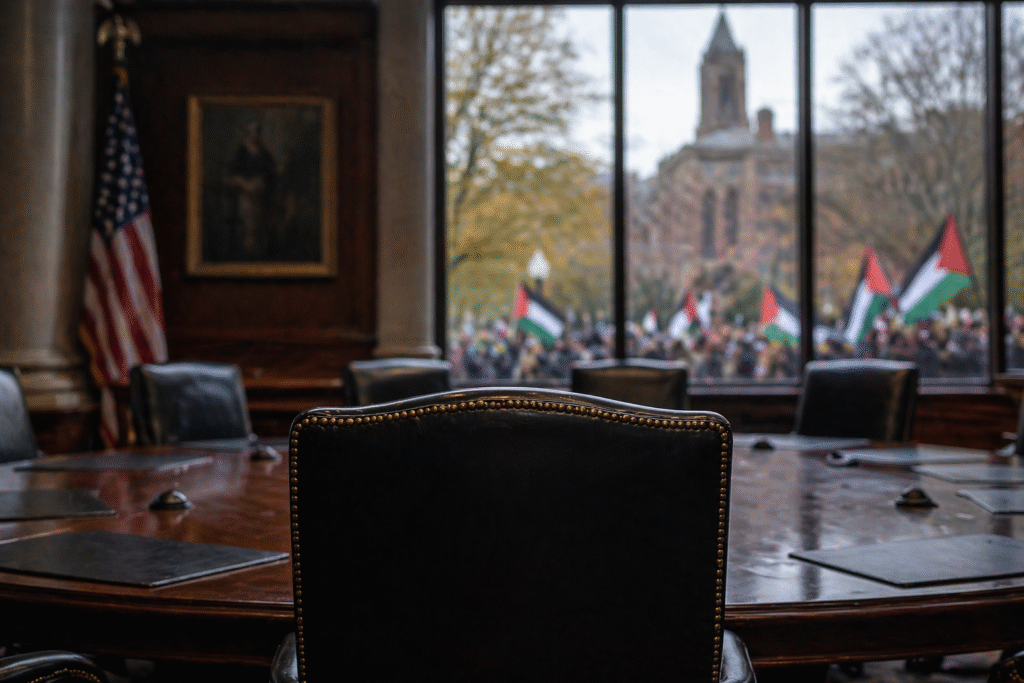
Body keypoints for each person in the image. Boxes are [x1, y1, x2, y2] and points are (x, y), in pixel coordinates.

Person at [222, 122, 277, 260]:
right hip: (241, 200)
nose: (253, 138)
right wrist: (242, 182)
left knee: (259, 233)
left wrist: (259, 185)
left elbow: (272, 181)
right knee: (242, 229)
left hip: (261, 202)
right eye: (250, 134)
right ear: (246, 136)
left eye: (256, 134)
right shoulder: (240, 154)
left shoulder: (266, 156)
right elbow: (229, 178)